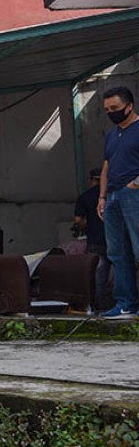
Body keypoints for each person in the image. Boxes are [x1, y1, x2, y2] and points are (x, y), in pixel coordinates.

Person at [97, 86, 139, 319]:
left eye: (115, 108)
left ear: (129, 106)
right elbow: (106, 166)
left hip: (134, 193)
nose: (111, 113)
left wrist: (136, 184)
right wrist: (102, 197)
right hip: (112, 195)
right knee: (117, 252)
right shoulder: (112, 135)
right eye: (107, 110)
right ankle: (126, 303)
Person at [73, 167, 112, 311]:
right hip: (116, 240)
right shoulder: (113, 194)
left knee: (98, 277)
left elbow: (78, 220)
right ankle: (125, 304)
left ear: (92, 180)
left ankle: (99, 307)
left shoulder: (85, 196)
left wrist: (88, 225)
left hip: (95, 241)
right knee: (123, 273)